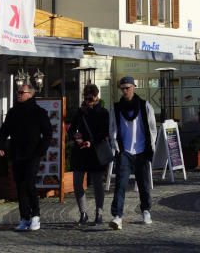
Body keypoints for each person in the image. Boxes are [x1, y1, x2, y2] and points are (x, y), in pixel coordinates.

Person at [0, 83, 51, 231]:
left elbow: (47, 134)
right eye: (18, 92)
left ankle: (36, 216)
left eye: (21, 92)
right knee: (20, 186)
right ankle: (24, 217)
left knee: (29, 183)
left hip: (33, 154)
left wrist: (40, 151)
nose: (18, 94)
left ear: (30, 94)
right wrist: (0, 145)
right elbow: (3, 131)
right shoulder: (13, 111)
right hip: (16, 153)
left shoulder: (39, 112)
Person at [108, 77, 157, 230]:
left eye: (127, 88)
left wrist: (151, 147)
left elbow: (152, 128)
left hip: (141, 150)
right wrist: (115, 146)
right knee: (120, 185)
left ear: (134, 87)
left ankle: (146, 210)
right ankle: (117, 216)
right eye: (122, 88)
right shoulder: (116, 108)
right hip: (124, 151)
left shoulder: (145, 106)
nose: (125, 91)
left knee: (143, 184)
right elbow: (112, 128)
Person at [66, 83, 110, 225]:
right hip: (80, 151)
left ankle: (99, 213)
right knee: (77, 182)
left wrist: (92, 142)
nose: (88, 101)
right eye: (86, 98)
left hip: (95, 152)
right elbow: (71, 130)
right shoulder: (80, 112)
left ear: (97, 97)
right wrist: (76, 136)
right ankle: (83, 213)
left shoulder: (103, 113)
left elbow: (104, 132)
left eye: (91, 98)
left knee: (98, 184)